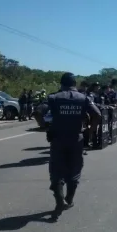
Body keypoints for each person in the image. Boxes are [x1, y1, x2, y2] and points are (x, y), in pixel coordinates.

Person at [47, 72, 101, 221]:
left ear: (61, 83)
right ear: (74, 84)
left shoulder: (53, 98)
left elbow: (39, 113)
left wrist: (46, 128)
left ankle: (59, 201)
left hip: (58, 139)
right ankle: (68, 200)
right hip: (76, 139)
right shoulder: (84, 99)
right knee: (74, 170)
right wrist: (89, 131)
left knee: (56, 171)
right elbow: (97, 115)